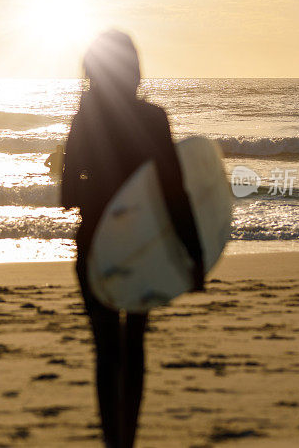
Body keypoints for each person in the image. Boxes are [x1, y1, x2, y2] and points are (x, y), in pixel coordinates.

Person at [61, 30, 204, 448]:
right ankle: (129, 439)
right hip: (143, 247)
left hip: (95, 246)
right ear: (133, 70)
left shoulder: (84, 117)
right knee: (135, 341)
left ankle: (112, 441)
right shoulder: (154, 119)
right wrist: (194, 255)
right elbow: (175, 192)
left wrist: (94, 185)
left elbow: (67, 197)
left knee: (106, 349)